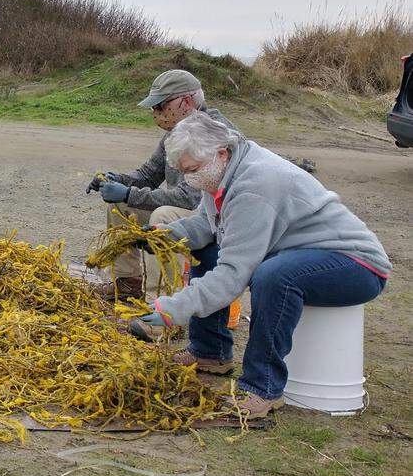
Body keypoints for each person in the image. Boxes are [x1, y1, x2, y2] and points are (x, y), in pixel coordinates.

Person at [135, 112, 390, 418]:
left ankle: (262, 388)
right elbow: (206, 226)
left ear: (221, 153)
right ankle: (210, 351)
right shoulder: (221, 173)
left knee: (274, 276)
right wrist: (169, 236)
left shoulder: (254, 184)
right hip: (302, 255)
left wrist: (172, 309)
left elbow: (233, 275)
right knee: (209, 248)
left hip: (355, 264)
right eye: (184, 172)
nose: (190, 179)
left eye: (192, 170)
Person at [87, 69, 235, 301]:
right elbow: (148, 175)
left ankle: (165, 303)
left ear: (186, 102)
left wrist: (129, 193)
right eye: (154, 108)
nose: (156, 113)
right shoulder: (177, 131)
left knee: (162, 216)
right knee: (120, 206)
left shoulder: (213, 133)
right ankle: (127, 283)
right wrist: (117, 180)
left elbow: (189, 199)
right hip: (190, 212)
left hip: (214, 220)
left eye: (161, 106)